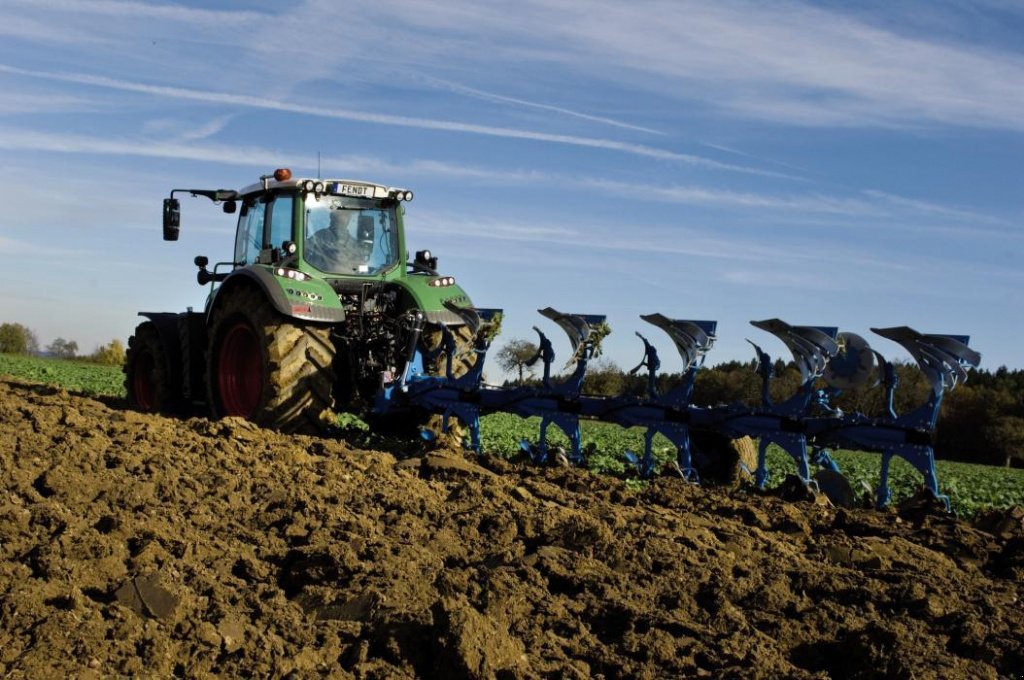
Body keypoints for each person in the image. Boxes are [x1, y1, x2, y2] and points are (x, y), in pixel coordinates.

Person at [305, 209, 368, 273]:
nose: (342, 219)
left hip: (348, 278)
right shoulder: (320, 237)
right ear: (332, 217)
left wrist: (361, 269)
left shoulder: (354, 245)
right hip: (320, 277)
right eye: (339, 215)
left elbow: (363, 269)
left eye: (346, 215)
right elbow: (305, 257)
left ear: (349, 219)